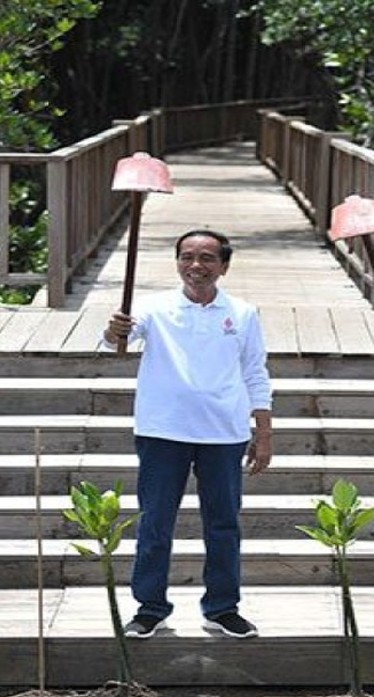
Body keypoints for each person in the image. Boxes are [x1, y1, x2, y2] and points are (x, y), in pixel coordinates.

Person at [102, 228, 273, 639]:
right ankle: (150, 606)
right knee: (156, 521)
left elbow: (255, 371)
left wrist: (263, 430)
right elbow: (115, 343)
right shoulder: (153, 307)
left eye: (207, 258)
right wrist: (115, 330)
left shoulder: (243, 313)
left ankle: (222, 606)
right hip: (163, 429)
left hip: (224, 431)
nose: (196, 266)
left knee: (223, 524)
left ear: (224, 266)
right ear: (178, 262)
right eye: (187, 257)